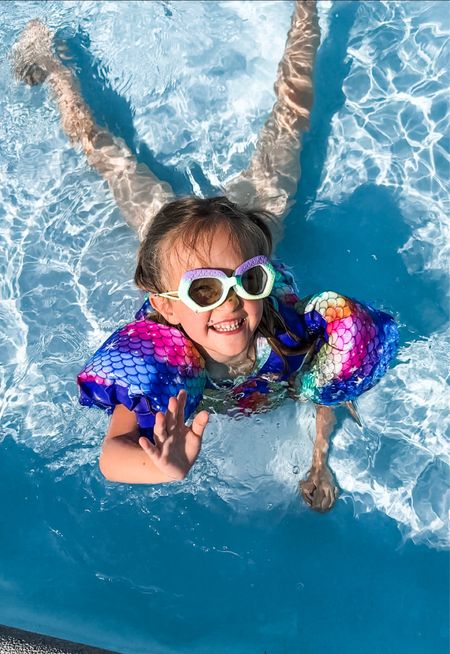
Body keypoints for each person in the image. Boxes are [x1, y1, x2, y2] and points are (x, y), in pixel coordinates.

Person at [11, 2, 397, 511]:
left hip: (248, 225)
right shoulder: (165, 356)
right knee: (107, 157)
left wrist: (318, 461)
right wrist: (159, 466)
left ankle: (306, 16)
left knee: (289, 129)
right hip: (169, 235)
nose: (231, 304)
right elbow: (113, 456)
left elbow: (319, 388)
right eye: (205, 291)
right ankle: (57, 72)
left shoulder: (285, 326)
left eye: (248, 283)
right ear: (167, 305)